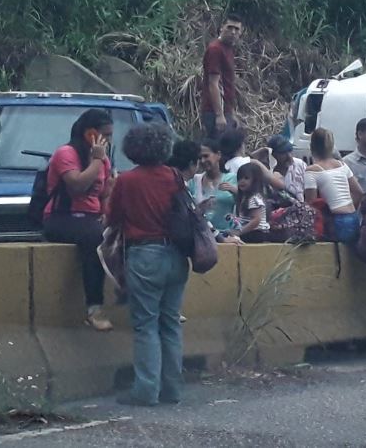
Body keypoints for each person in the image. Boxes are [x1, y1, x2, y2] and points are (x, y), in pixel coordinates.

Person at [106, 122, 188, 407]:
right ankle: (172, 389)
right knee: (171, 323)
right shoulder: (175, 176)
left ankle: (146, 390)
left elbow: (112, 216)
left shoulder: (128, 181)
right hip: (177, 255)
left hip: (144, 255)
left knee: (145, 325)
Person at [44, 109, 115, 332]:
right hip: (61, 217)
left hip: (92, 217)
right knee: (94, 237)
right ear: (90, 134)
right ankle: (94, 307)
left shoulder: (104, 161)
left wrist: (107, 212)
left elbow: (104, 193)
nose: (108, 141)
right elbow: (77, 186)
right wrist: (96, 160)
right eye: (105, 135)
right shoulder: (66, 154)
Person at [304, 128, 364, 242]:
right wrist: (351, 208)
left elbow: (311, 204)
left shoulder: (312, 171)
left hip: (335, 220)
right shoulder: (342, 165)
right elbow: (358, 192)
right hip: (353, 217)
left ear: (311, 146)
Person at [200, 13, 243, 138]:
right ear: (221, 28)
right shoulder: (215, 49)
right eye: (229, 27)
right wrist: (219, 115)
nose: (233, 32)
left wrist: (232, 112)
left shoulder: (228, 49)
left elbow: (227, 83)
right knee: (219, 152)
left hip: (225, 110)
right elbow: (213, 83)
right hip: (214, 111)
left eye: (237, 29)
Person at [194, 139, 238, 236]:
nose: (202, 161)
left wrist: (235, 191)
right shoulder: (195, 181)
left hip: (228, 236)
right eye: (199, 158)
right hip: (203, 236)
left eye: (206, 156)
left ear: (218, 155)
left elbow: (247, 203)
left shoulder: (232, 179)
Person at [233, 163, 271, 243]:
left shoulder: (254, 198)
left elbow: (256, 220)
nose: (242, 181)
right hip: (251, 231)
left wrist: (239, 232)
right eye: (239, 179)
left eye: (246, 178)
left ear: (255, 180)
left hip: (257, 233)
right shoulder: (245, 198)